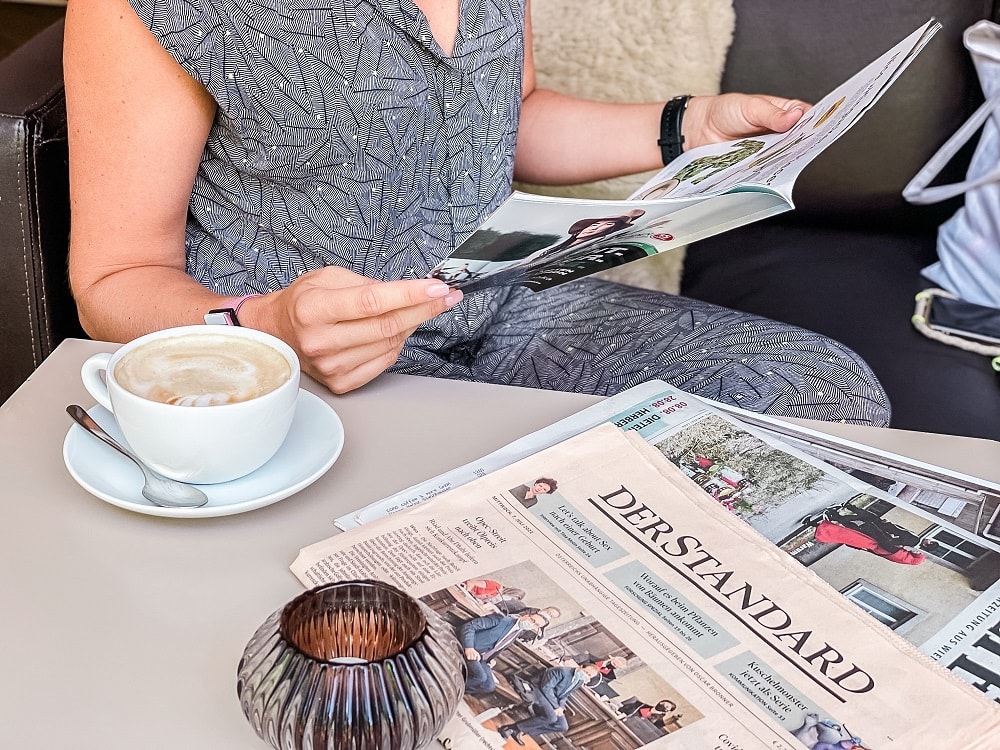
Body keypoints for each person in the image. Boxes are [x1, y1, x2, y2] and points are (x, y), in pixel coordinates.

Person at [63, 1, 890, 427]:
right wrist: (269, 328)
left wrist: (686, 126)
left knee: (825, 396)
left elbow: (503, 113)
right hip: (311, 372)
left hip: (508, 305)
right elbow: (113, 280)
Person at [497, 664, 601, 745]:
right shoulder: (562, 671)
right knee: (551, 718)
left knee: (562, 726)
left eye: (589, 675)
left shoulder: (578, 681)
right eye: (586, 672)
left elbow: (565, 695)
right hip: (538, 691)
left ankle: (521, 730)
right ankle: (509, 728)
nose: (586, 675)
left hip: (552, 700)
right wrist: (556, 706)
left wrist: (561, 707)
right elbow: (546, 688)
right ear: (580, 667)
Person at [457, 610, 552, 694]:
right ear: (525, 616)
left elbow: (497, 645)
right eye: (532, 620)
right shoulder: (501, 619)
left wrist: (491, 659)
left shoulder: (518, 632)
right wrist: (469, 647)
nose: (532, 624)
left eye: (536, 625)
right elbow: (469, 626)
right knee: (480, 677)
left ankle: (460, 692)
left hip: (482, 658)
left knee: (489, 686)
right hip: (471, 649)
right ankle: (451, 689)